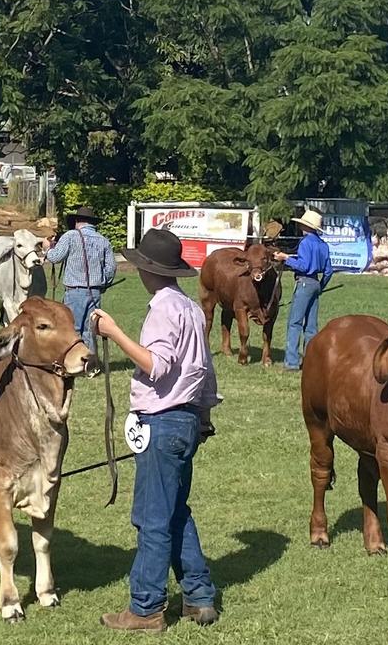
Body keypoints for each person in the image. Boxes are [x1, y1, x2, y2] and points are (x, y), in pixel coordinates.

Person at [91, 228, 219, 633]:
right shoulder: (191, 308)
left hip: (162, 421)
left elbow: (157, 365)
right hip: (185, 420)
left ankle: (145, 607)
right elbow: (205, 371)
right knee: (176, 512)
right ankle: (198, 597)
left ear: (147, 269)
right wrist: (202, 417)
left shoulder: (163, 309)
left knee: (152, 518)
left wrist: (114, 333)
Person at [45, 205, 117, 353]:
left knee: (73, 328)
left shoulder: (71, 236)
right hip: (95, 291)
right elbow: (111, 268)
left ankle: (74, 359)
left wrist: (48, 248)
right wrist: (104, 284)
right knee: (90, 329)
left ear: (77, 221)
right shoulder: (104, 241)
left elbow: (55, 257)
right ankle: (91, 363)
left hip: (74, 291)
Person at [273, 210, 333, 371]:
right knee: (311, 326)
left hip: (304, 283)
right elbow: (328, 271)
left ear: (305, 226)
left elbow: (303, 266)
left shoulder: (306, 243)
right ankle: (310, 361)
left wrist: (286, 258)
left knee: (295, 323)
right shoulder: (323, 245)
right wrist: (321, 286)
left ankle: (291, 362)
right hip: (315, 283)